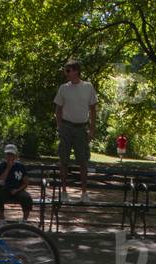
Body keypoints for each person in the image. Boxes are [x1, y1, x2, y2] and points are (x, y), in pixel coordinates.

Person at [54, 59, 97, 203]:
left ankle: (84, 193)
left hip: (81, 128)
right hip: (66, 126)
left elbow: (93, 109)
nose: (66, 73)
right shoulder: (63, 88)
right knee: (63, 160)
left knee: (83, 161)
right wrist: (59, 127)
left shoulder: (88, 87)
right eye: (65, 70)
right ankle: (64, 191)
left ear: (76, 71)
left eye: (68, 70)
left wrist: (91, 130)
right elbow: (58, 109)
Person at [0, 143, 32, 222]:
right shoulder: (1, 166)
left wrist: (17, 190)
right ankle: (2, 221)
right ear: (5, 155)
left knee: (27, 198)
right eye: (8, 154)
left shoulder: (20, 166)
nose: (9, 157)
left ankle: (24, 221)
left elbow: (26, 182)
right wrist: (8, 168)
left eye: (12, 154)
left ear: (15, 155)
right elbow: (0, 180)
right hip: (5, 189)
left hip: (18, 190)